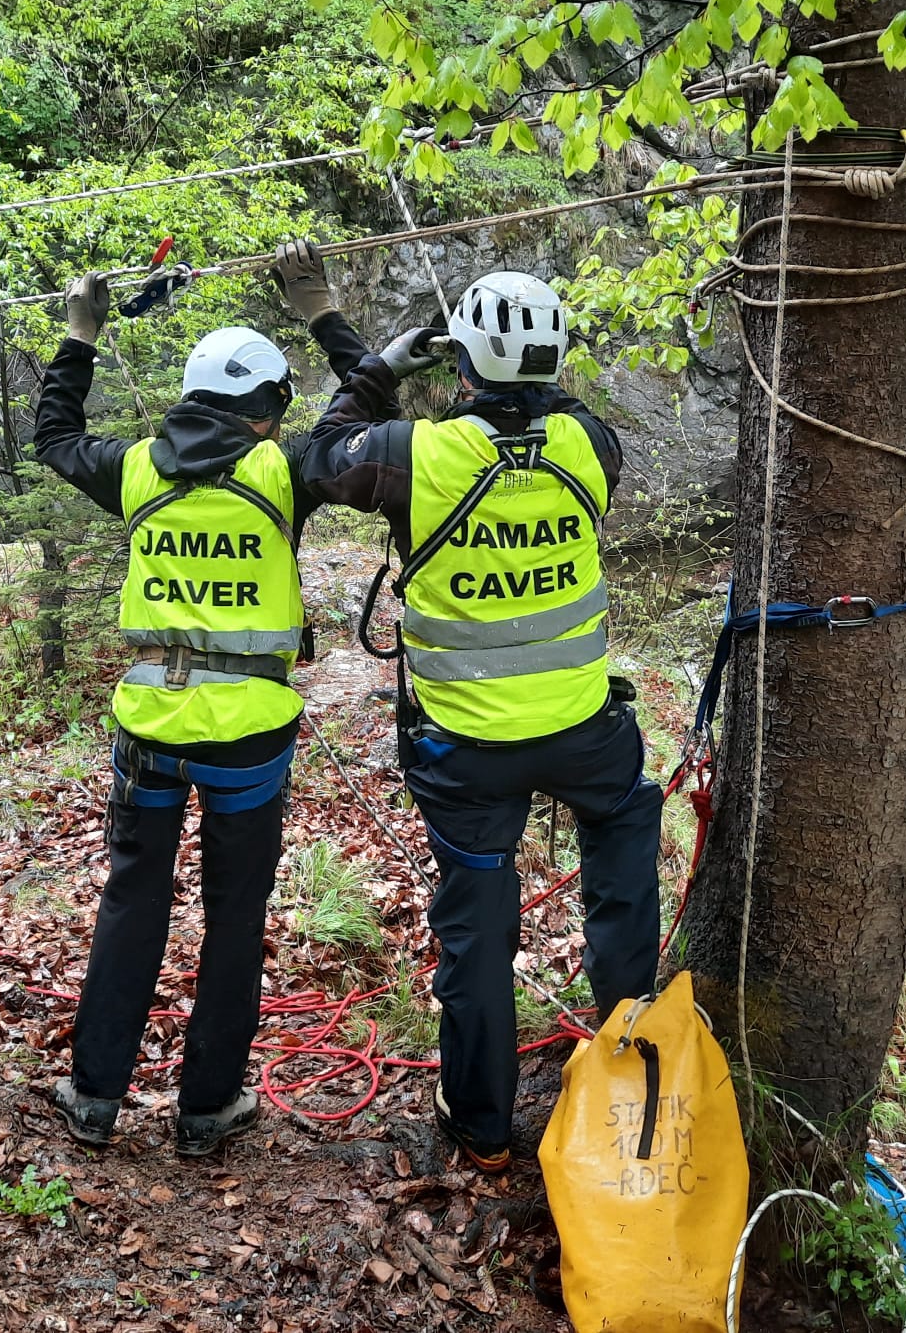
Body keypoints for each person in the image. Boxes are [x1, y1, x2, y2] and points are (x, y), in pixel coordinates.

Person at [278, 240, 661, 1173]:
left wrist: (369, 359)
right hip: (584, 734)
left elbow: (322, 455)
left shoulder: (421, 458)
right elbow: (537, 411)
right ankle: (633, 1071)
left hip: (470, 750)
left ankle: (483, 1124)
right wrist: (374, 343)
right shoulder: (592, 446)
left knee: (479, 928)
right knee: (622, 865)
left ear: (460, 366)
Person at [33, 257, 368, 1156]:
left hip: (148, 722)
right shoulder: (283, 467)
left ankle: (95, 1095)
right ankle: (207, 1108)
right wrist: (324, 316)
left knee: (132, 898)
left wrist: (80, 334)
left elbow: (56, 435)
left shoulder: (137, 468)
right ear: (266, 407)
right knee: (235, 914)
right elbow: (368, 419)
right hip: (247, 735)